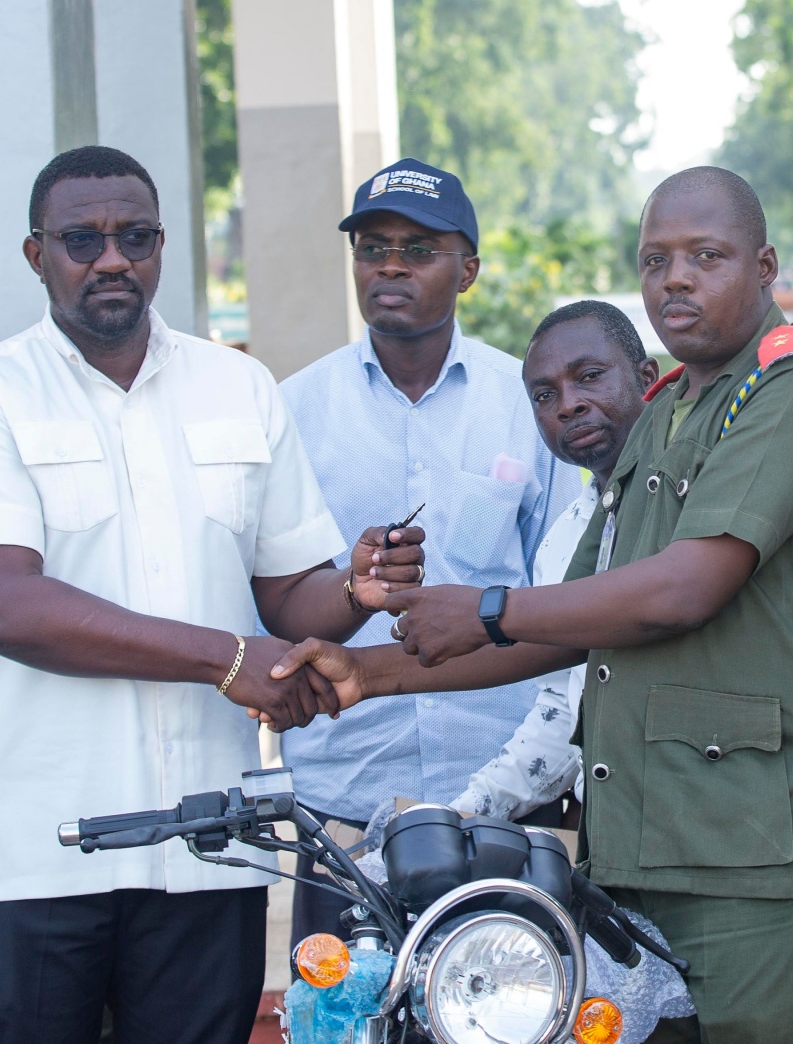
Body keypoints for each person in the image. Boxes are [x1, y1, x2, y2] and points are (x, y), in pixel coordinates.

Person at [272, 167, 793, 1042]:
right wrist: (365, 672)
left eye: (705, 256)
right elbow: (573, 618)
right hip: (640, 852)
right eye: (654, 260)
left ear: (765, 265)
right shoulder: (673, 410)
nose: (675, 279)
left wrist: (486, 606)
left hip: (761, 860)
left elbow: (682, 589)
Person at [0, 145, 426, 1044]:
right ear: (37, 255)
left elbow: (287, 595)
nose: (111, 258)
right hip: (43, 851)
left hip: (210, 844)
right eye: (82, 238)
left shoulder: (238, 385)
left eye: (135, 236)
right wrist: (227, 661)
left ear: (160, 248)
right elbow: (0, 606)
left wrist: (354, 588)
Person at [452, 301, 793, 823]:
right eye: (545, 396)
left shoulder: (722, 480)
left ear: (648, 379)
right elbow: (562, 713)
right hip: (626, 835)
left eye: (590, 377)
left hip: (751, 834)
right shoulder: (564, 539)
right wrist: (461, 814)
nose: (569, 405)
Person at [278, 158, 580, 940]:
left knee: (517, 1010)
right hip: (347, 794)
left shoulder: (529, 404)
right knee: (349, 1014)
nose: (389, 266)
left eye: (418, 250)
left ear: (468, 269)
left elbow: (568, 598)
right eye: (372, 247)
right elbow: (274, 592)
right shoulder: (292, 409)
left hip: (504, 795)